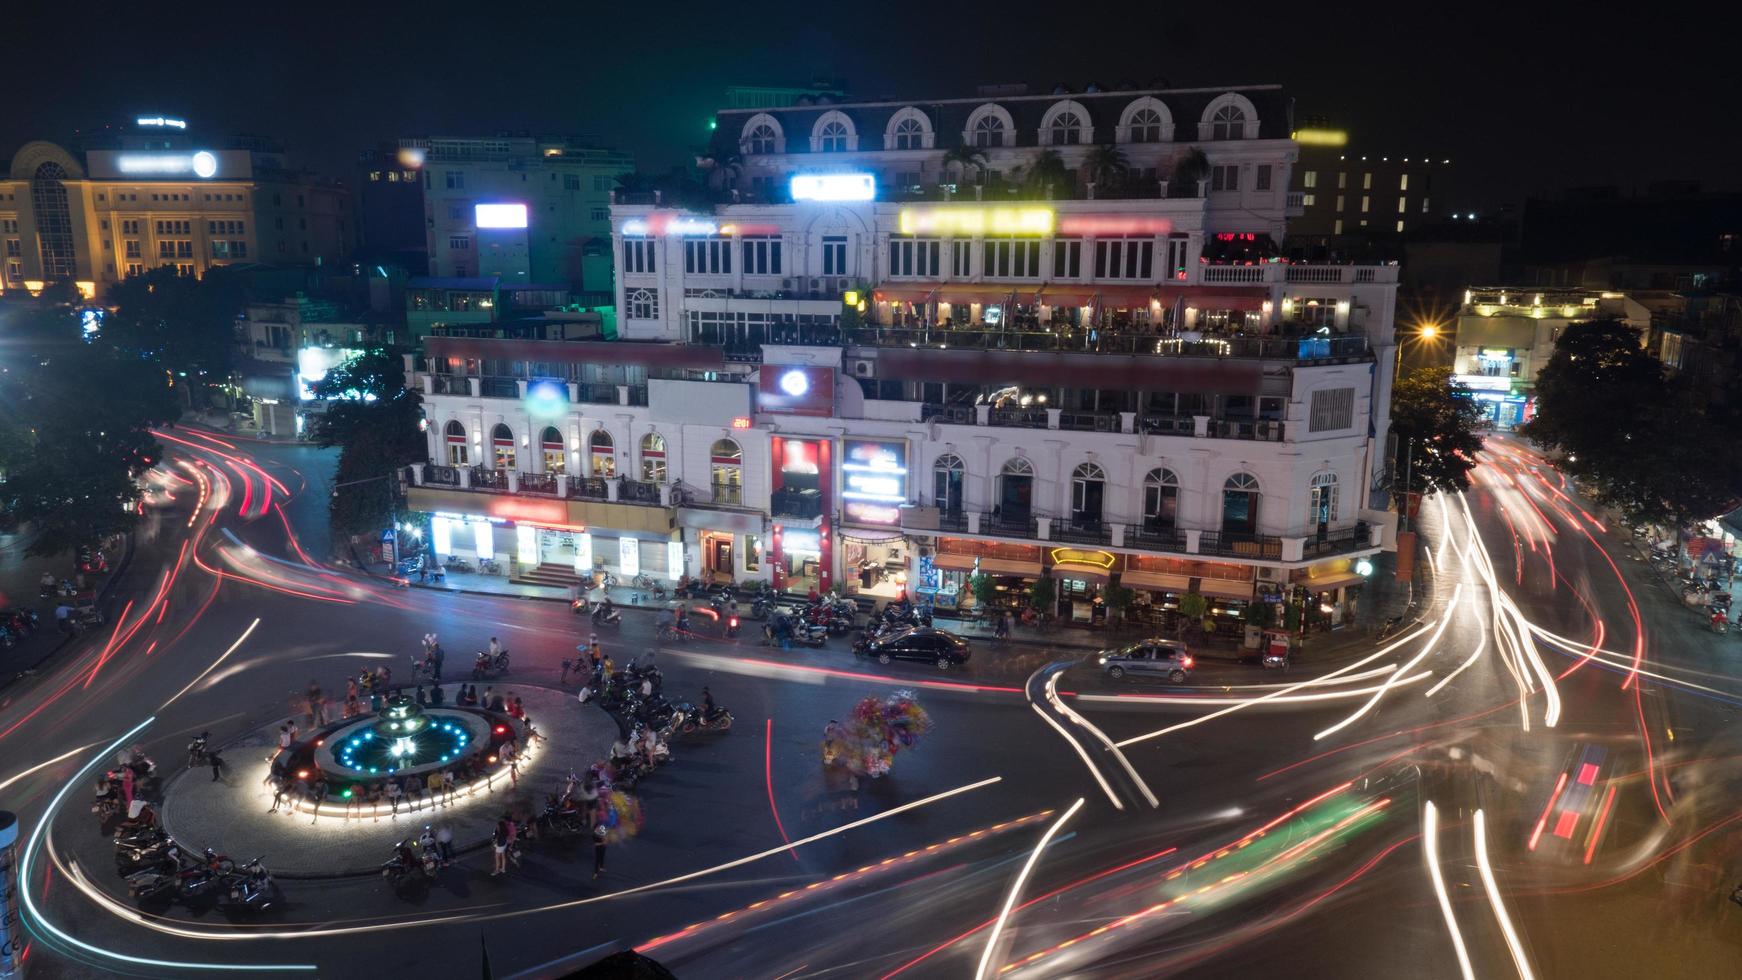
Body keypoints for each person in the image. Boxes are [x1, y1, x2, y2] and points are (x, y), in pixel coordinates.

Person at [592, 799, 609, 878]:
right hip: (599, 845)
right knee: (597, 858)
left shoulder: (603, 825)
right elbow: (595, 841)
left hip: (603, 844)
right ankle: (595, 872)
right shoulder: (596, 828)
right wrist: (603, 842)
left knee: (602, 856)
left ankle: (601, 867)